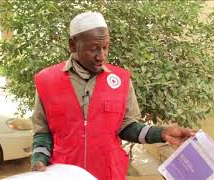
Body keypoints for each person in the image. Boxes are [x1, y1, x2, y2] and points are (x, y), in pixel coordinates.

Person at [31, 12, 196, 180]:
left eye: (105, 47)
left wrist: (161, 133)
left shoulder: (121, 80)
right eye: (93, 49)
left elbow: (127, 127)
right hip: (64, 174)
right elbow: (43, 133)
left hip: (108, 174)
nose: (101, 56)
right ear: (73, 45)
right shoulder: (47, 81)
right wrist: (38, 159)